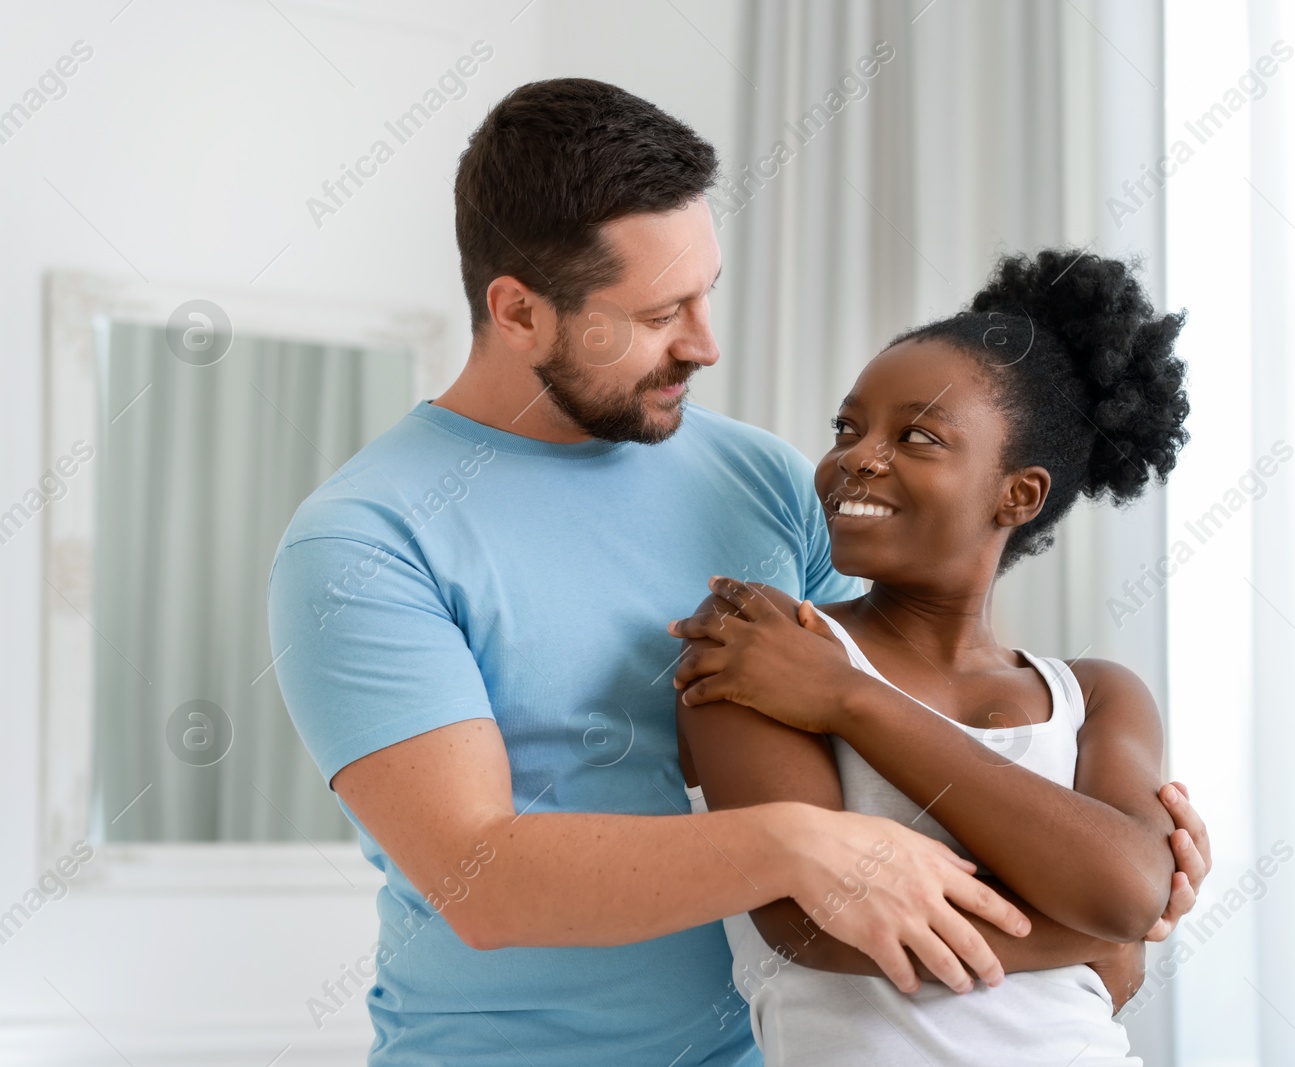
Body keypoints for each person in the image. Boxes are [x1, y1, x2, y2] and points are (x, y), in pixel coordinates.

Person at [266, 78, 1209, 1065]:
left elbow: (882, 728)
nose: (704, 343)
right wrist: (795, 843)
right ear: (518, 312)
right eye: (658, 312)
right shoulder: (366, 539)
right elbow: (478, 878)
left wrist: (1107, 863)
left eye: (706, 290)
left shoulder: (754, 474)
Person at [671, 247, 1192, 1065]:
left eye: (917, 436)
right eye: (848, 427)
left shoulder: (1095, 695)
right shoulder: (763, 641)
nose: (858, 457)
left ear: (1018, 493)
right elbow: (817, 919)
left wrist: (853, 702)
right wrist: (1092, 929)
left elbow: (1129, 888)